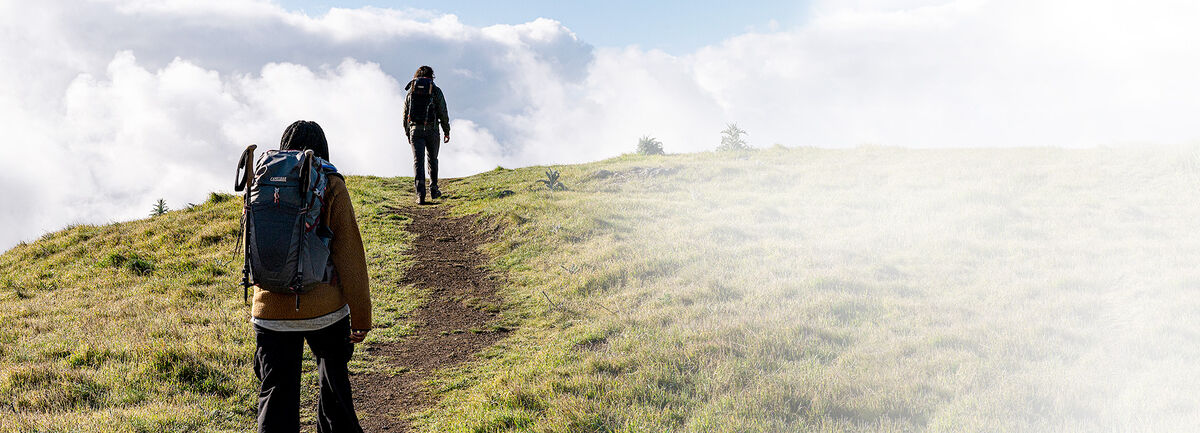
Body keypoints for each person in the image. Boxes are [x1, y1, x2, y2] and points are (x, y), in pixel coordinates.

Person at [251, 120, 372, 433]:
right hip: (326, 311)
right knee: (334, 391)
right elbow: (349, 253)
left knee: (275, 393)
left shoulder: (262, 179)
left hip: (270, 310)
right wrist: (361, 317)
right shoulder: (330, 182)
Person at [403, 65, 451, 204]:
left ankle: (420, 195)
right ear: (432, 76)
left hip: (415, 131)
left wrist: (408, 132)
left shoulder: (411, 91)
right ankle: (434, 189)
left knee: (418, 161)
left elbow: (406, 114)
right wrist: (446, 130)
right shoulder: (435, 90)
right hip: (432, 130)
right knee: (432, 159)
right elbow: (443, 111)